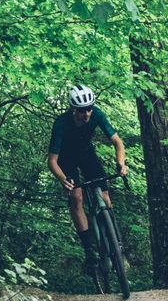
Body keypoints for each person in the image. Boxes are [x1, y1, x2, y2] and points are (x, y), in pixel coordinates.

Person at [46, 84, 128, 272]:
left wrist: (121, 163)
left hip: (86, 155)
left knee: (106, 199)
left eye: (90, 108)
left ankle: (117, 246)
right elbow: (52, 160)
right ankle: (90, 251)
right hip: (66, 160)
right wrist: (62, 179)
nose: (87, 114)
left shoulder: (97, 115)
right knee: (77, 198)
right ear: (74, 109)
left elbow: (117, 142)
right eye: (83, 111)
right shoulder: (61, 123)